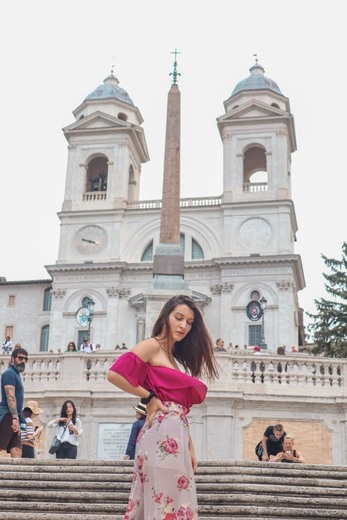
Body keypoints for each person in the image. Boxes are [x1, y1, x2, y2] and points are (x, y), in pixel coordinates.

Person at [107, 294, 218, 519]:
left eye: (189, 322)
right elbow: (114, 374)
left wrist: (190, 446)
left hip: (175, 432)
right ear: (166, 315)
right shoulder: (153, 345)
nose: (183, 326)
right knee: (164, 502)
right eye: (178, 318)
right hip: (160, 432)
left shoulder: (172, 357)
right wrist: (149, 398)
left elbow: (179, 409)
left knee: (173, 501)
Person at [0, 347, 29, 457]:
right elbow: (10, 396)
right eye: (20, 358)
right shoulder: (10, 373)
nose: (23, 361)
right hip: (8, 416)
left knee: (17, 450)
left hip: (15, 416)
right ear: (12, 359)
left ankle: (17, 474)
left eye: (25, 359)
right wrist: (14, 417)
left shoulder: (16, 374)